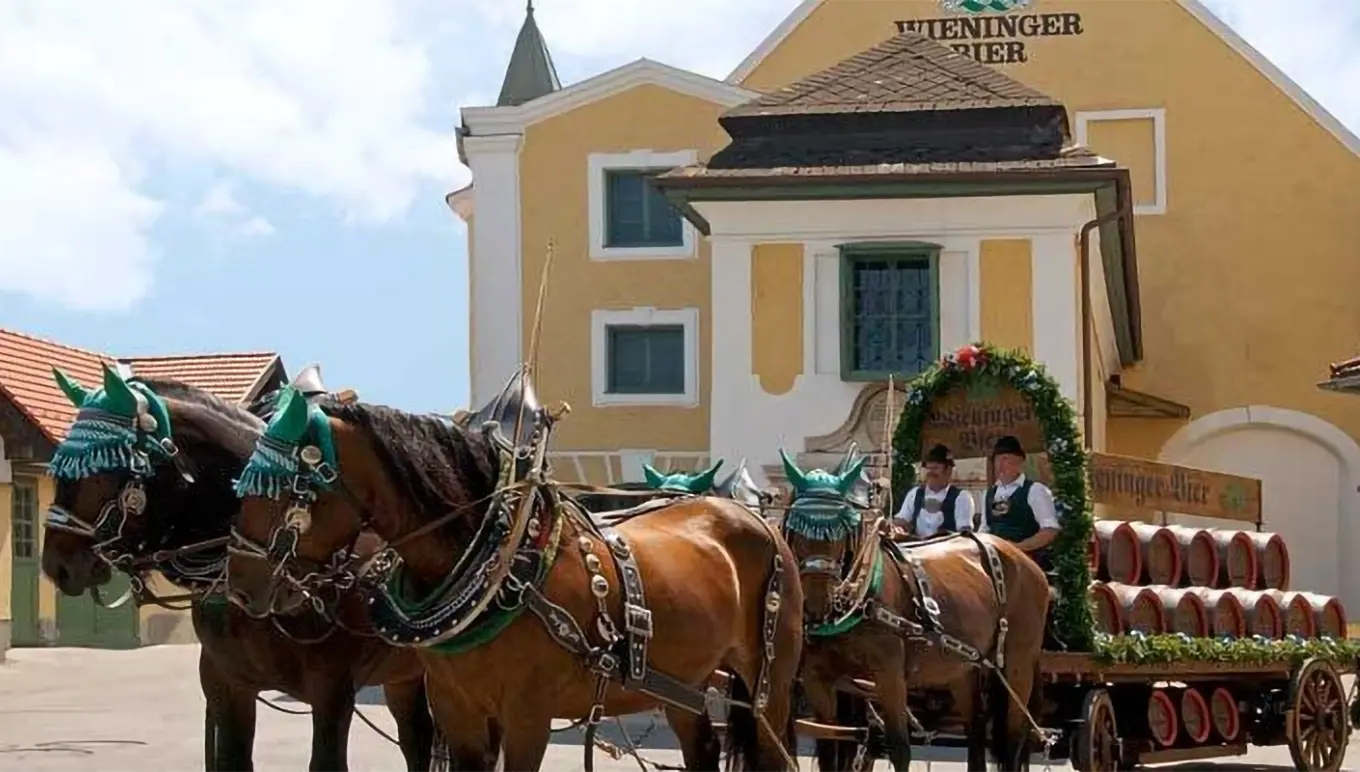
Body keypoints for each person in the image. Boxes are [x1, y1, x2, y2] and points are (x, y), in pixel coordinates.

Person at [979, 435, 1061, 570]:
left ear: (1020, 462)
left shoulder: (1035, 490)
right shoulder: (988, 494)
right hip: (995, 563)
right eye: (997, 460)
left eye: (1005, 459)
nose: (1000, 465)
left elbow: (1049, 530)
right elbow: (984, 529)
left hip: (1028, 563)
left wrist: (1018, 548)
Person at [893, 444, 976, 539]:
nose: (931, 473)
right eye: (929, 468)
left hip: (947, 551)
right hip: (916, 550)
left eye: (935, 468)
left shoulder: (962, 498)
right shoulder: (915, 494)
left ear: (948, 470)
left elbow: (964, 535)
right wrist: (897, 527)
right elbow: (901, 520)